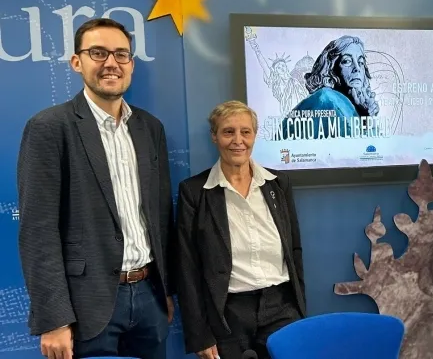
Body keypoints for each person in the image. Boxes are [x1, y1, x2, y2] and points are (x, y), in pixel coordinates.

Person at [17, 18, 175, 358]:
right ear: (77, 62)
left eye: (121, 54)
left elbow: (161, 216)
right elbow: (38, 232)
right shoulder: (49, 128)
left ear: (131, 64)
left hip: (149, 297)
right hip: (85, 306)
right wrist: (54, 319)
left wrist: (165, 290)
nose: (111, 63)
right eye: (98, 53)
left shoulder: (150, 128)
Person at [175, 100, 306, 359]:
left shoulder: (278, 184)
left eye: (245, 132)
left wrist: (300, 310)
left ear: (254, 135)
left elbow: (294, 250)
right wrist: (200, 333)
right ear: (214, 136)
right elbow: (187, 267)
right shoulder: (194, 192)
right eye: (228, 132)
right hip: (228, 315)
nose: (238, 140)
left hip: (281, 307)